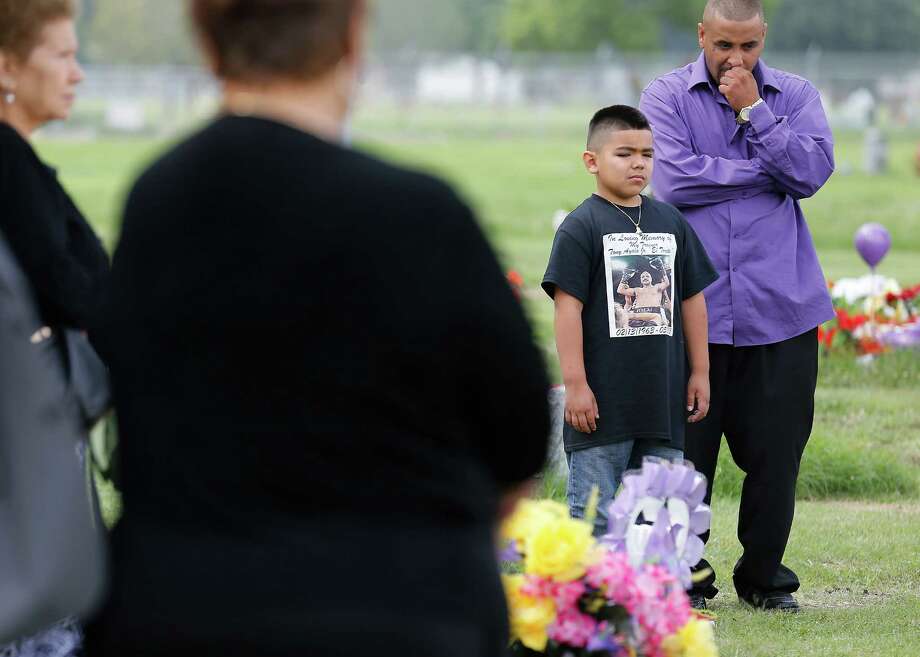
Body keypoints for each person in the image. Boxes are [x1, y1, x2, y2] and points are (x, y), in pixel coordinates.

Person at [85, 1, 550, 655]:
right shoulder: (417, 212)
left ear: (205, 39)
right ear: (353, 35)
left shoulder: (157, 199)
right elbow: (519, 435)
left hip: (187, 611)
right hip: (399, 612)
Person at [639, 0, 835, 612]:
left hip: (781, 307)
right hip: (690, 312)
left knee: (777, 454)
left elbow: (811, 170)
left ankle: (765, 576)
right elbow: (672, 181)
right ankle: (682, 577)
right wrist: (763, 169)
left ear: (763, 37)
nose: (735, 58)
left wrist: (754, 111)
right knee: (679, 454)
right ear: (702, 35)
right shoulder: (666, 97)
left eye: (748, 46)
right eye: (724, 44)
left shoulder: (796, 95)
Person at [542, 105, 717, 538]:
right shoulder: (581, 227)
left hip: (661, 401)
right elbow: (568, 310)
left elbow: (692, 300)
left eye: (647, 153)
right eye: (624, 153)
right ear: (592, 161)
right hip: (601, 406)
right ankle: (594, 601)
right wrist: (576, 385)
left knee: (658, 517)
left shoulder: (670, 221)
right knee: (593, 516)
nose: (638, 163)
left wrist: (700, 371)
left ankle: (651, 600)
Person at [0, 0, 108, 343]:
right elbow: (61, 286)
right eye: (63, 56)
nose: (77, 74)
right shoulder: (8, 160)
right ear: (7, 68)